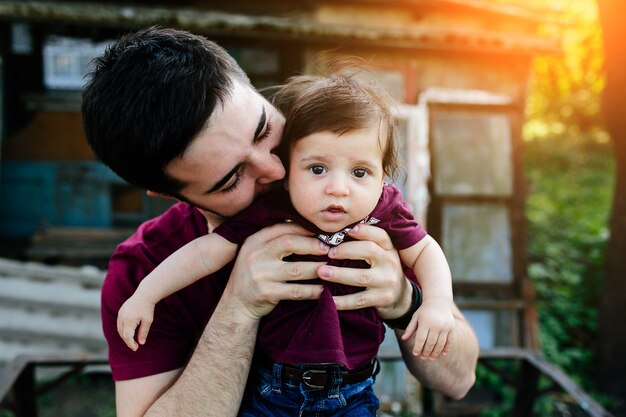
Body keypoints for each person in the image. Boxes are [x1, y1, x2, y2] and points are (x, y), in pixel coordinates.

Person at [82, 26, 479, 417]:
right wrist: (237, 307)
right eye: (232, 178)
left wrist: (405, 302)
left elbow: (459, 380)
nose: (276, 169)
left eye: (264, 130)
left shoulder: (354, 195)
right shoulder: (143, 267)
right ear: (171, 195)